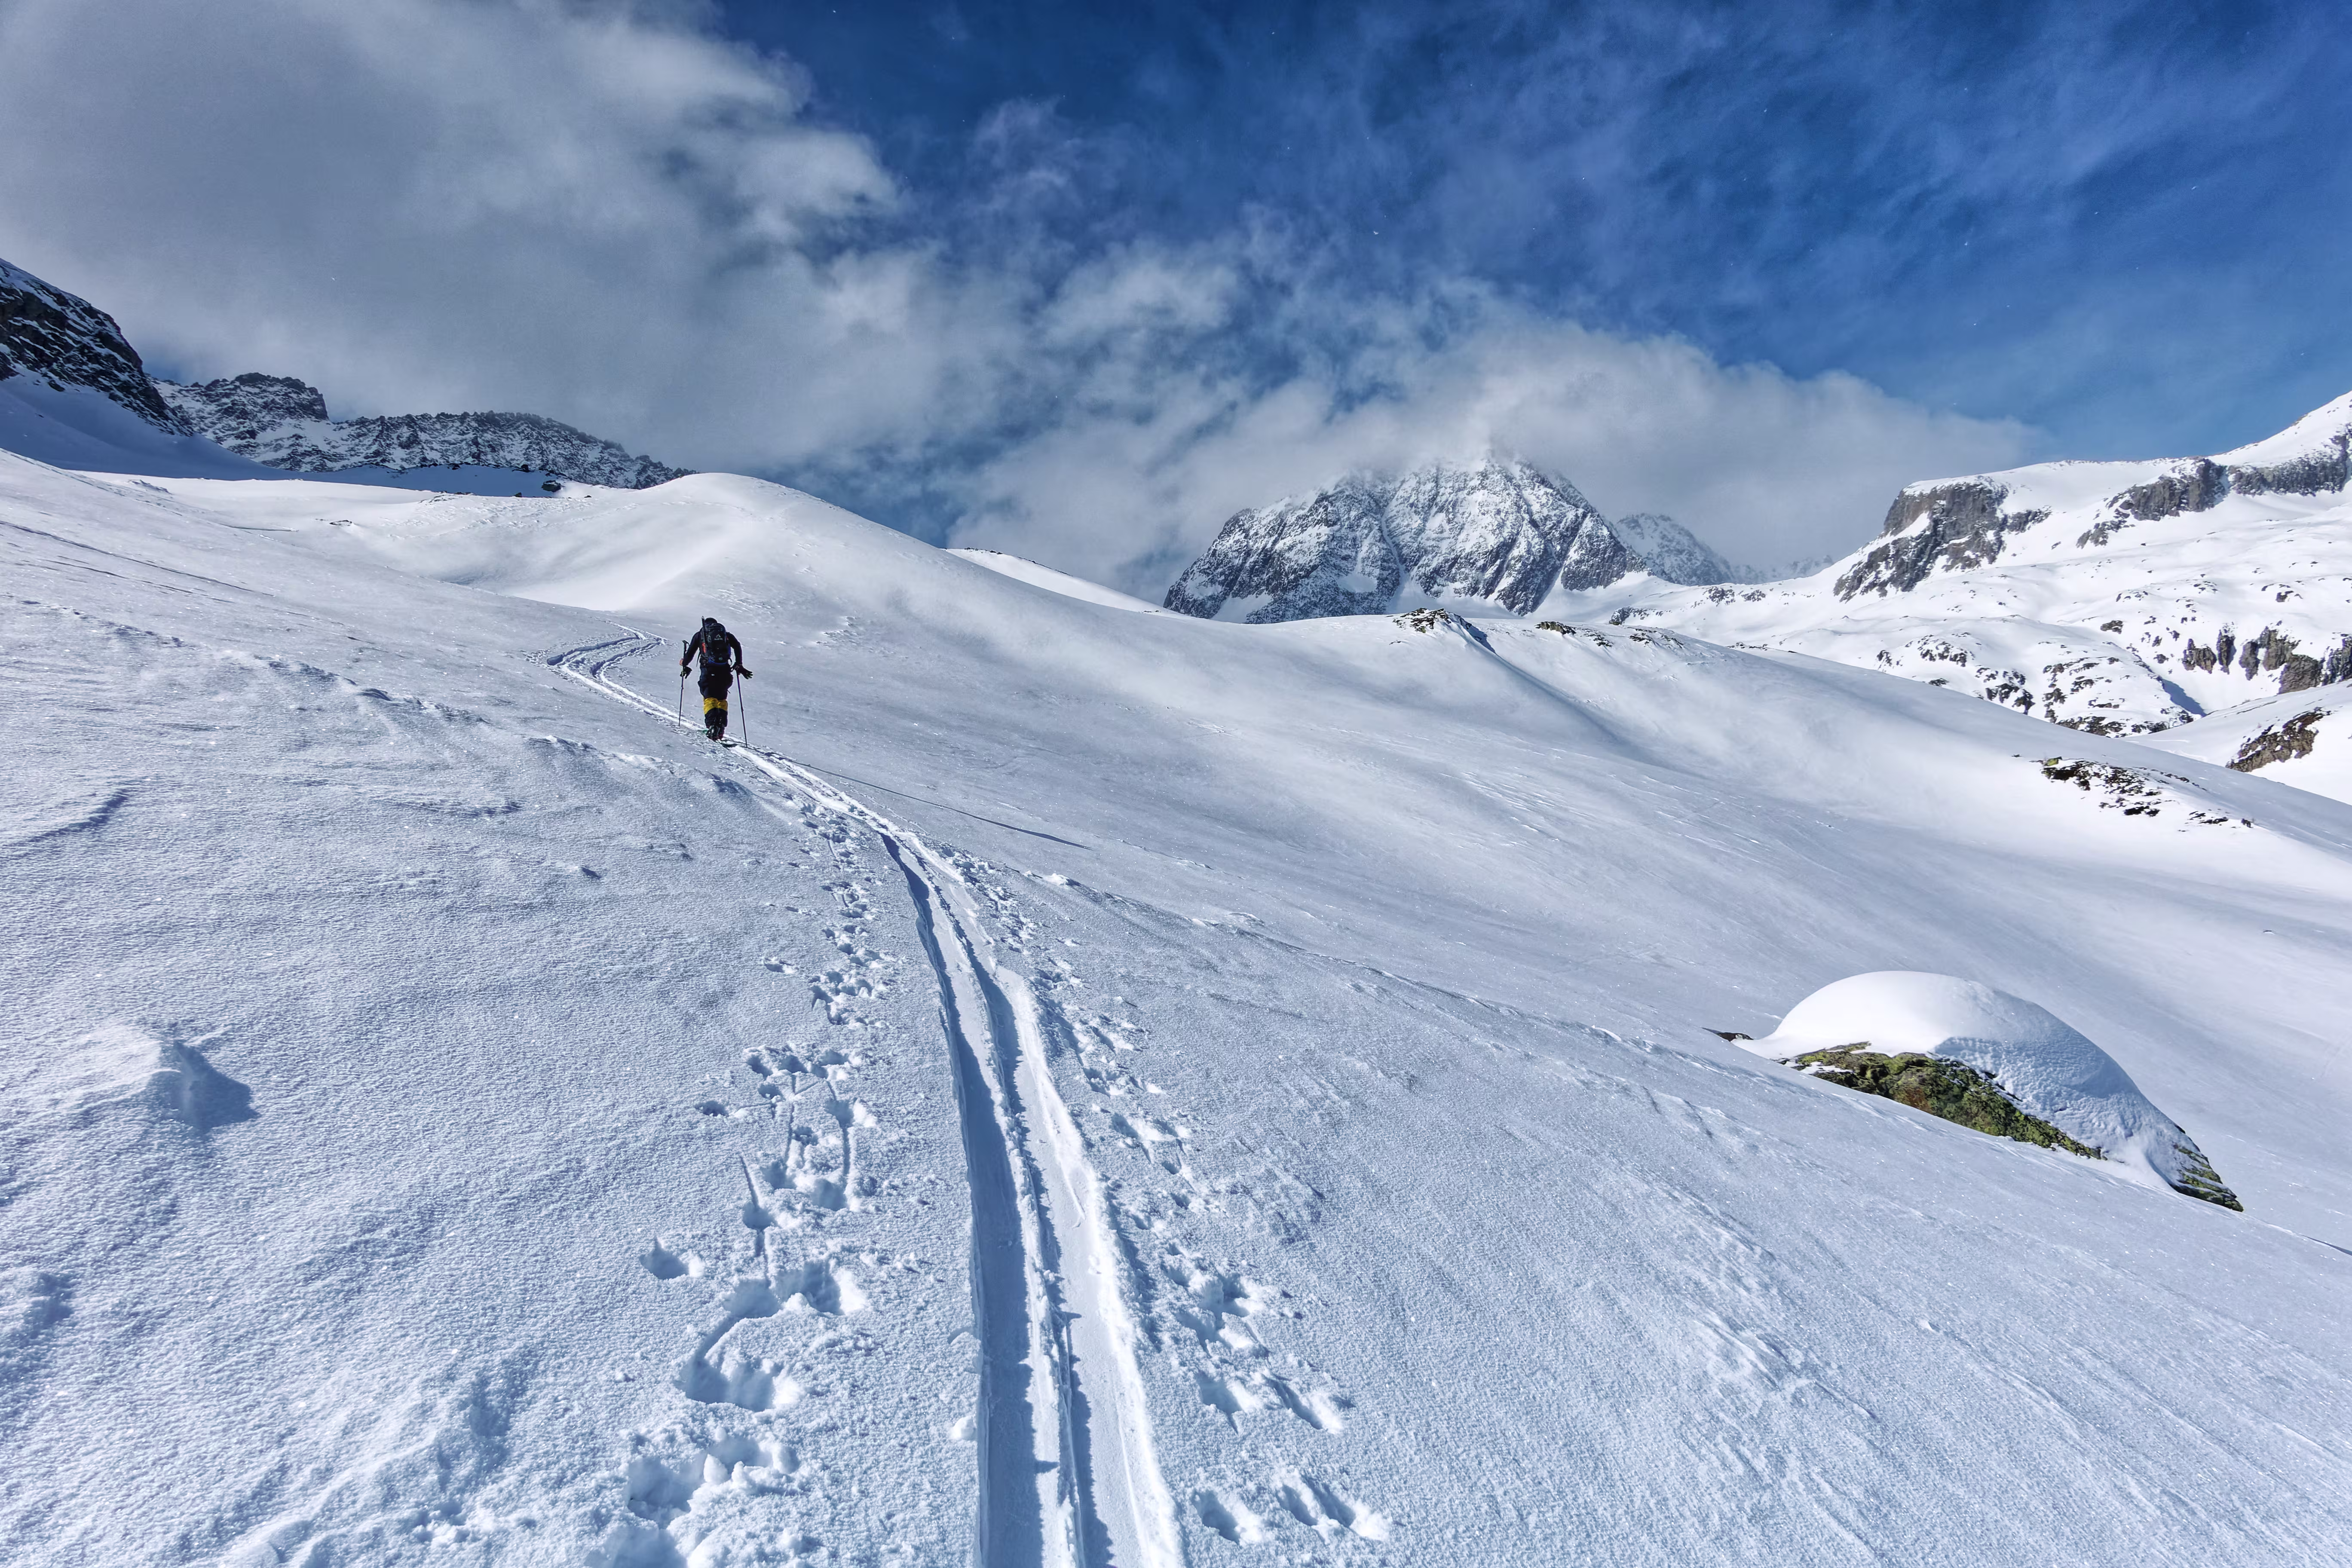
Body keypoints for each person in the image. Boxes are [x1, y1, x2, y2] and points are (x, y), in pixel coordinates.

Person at [680, 616, 751, 741]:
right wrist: (739, 664)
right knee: (722, 699)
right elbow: (738, 646)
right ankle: (721, 729)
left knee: (710, 699)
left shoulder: (700, 635)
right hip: (725, 671)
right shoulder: (727, 636)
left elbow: (690, 654)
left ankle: (712, 727)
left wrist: (684, 664)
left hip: (708, 671)